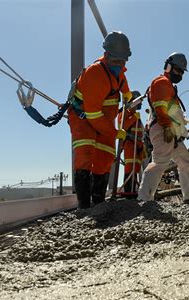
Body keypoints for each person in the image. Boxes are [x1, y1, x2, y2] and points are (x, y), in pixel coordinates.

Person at [67, 31, 132, 209]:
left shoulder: (118, 71)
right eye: (117, 60)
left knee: (106, 155)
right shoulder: (95, 74)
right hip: (83, 118)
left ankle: (99, 201)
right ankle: (84, 205)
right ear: (107, 55)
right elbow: (94, 117)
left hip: (102, 118)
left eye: (123, 60)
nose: (120, 64)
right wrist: (115, 132)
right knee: (85, 153)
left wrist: (127, 95)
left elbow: (122, 82)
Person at [137, 52, 189, 202]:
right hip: (162, 128)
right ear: (168, 67)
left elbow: (171, 110)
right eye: (178, 70)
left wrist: (179, 127)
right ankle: (144, 198)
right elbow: (160, 107)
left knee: (185, 161)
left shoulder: (168, 85)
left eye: (182, 72)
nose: (180, 75)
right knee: (160, 162)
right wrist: (166, 127)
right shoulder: (161, 82)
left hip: (170, 130)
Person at [117, 90, 145, 197]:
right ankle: (128, 190)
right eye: (139, 101)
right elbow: (123, 126)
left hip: (137, 145)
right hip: (129, 144)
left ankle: (133, 189)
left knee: (136, 168)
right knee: (130, 168)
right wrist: (134, 117)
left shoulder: (134, 114)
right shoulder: (124, 112)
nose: (140, 104)